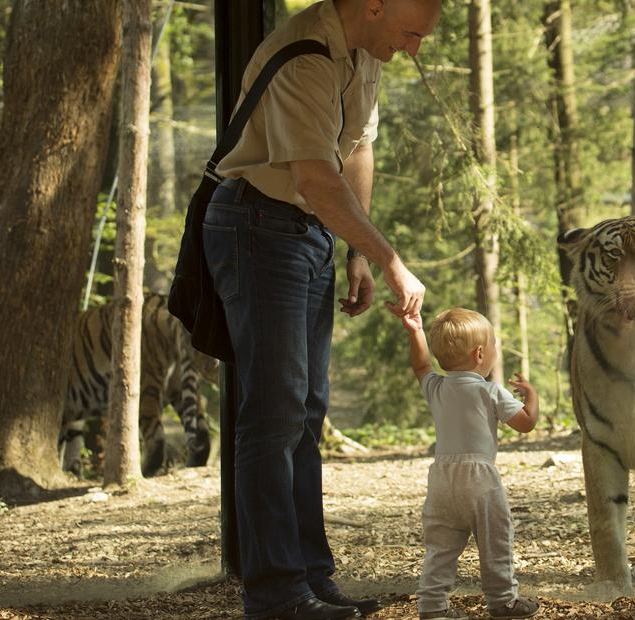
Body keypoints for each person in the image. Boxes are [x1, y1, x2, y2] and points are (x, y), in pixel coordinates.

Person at [202, 1, 439, 618]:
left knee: (305, 413)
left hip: (307, 234)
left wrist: (357, 253)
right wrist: (389, 259)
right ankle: (278, 595)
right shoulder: (305, 55)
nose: (415, 48)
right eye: (412, 32)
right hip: (257, 225)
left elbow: (355, 151)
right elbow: (314, 176)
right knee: (275, 414)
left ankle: (311, 580)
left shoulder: (366, 51)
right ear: (374, 5)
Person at [395, 307, 541, 620]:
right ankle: (502, 600)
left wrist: (415, 330)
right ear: (479, 354)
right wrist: (531, 396)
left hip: (442, 479)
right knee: (496, 542)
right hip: (480, 479)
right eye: (494, 346)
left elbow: (421, 365)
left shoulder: (436, 387)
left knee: (441, 547)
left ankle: (432, 606)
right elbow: (526, 424)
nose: (495, 351)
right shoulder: (491, 391)